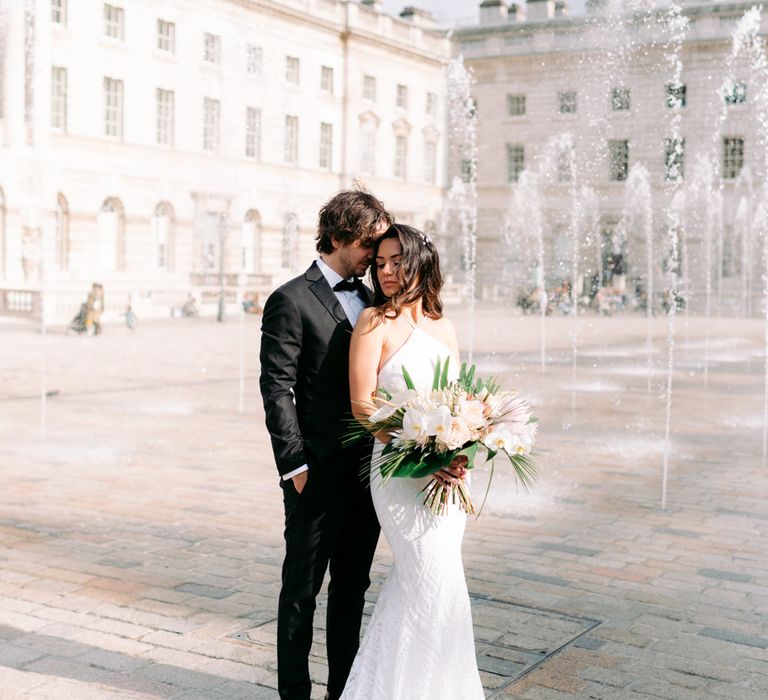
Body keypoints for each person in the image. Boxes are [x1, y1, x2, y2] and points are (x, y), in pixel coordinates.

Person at [259, 190, 393, 700]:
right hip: (314, 473)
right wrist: (294, 464)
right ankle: (295, 694)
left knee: (352, 589)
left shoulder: (377, 301)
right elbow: (276, 386)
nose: (374, 255)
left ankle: (344, 690)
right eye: (367, 242)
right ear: (339, 236)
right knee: (301, 592)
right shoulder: (290, 299)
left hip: (367, 473)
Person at [342, 224, 484, 699]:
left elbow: (459, 400)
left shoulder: (445, 327)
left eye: (396, 261)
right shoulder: (372, 323)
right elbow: (363, 406)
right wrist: (420, 457)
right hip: (400, 474)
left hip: (446, 482)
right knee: (428, 577)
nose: (385, 271)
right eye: (379, 263)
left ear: (421, 262)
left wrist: (459, 449)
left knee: (434, 583)